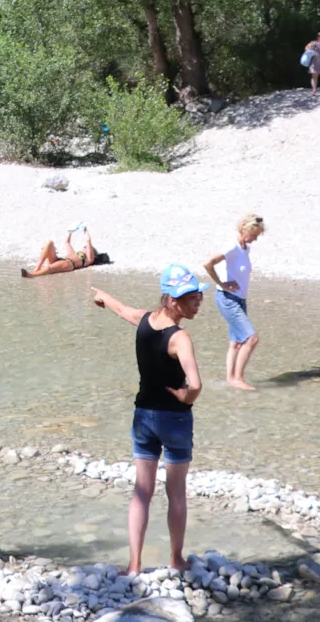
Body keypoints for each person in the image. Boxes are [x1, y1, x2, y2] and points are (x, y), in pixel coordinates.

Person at [91, 263, 205, 575]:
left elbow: (121, 310)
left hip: (143, 417)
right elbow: (195, 385)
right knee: (176, 492)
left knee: (142, 491)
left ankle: (134, 564)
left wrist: (103, 296)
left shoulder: (144, 320)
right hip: (175, 421)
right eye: (192, 297)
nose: (198, 303)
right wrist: (186, 398)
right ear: (172, 300)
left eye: (199, 297)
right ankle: (176, 559)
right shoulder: (180, 338)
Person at [203, 215, 263, 391]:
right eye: (255, 234)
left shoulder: (245, 248)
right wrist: (221, 283)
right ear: (245, 230)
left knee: (236, 342)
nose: (256, 239)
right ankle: (238, 378)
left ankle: (231, 379)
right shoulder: (232, 246)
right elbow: (208, 263)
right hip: (228, 299)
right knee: (252, 338)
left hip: (239, 299)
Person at [20, 223, 111, 278]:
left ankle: (32, 275)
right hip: (60, 260)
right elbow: (67, 242)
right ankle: (37, 268)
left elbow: (88, 240)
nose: (85, 247)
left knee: (49, 268)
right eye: (85, 246)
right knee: (49, 243)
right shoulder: (75, 253)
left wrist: (85, 229)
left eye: (86, 247)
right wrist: (70, 232)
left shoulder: (88, 259)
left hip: (68, 264)